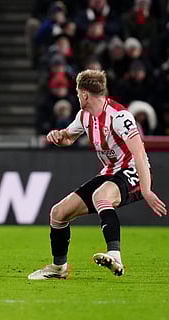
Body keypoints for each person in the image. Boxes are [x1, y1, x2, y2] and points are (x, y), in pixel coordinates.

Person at [28, 69, 167, 280]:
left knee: (101, 196)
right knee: (58, 213)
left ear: (84, 94)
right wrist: (58, 136)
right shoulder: (84, 116)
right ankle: (59, 268)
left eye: (77, 92)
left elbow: (139, 151)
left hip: (133, 171)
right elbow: (68, 138)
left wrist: (146, 189)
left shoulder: (119, 116)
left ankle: (115, 256)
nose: (76, 96)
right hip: (110, 173)